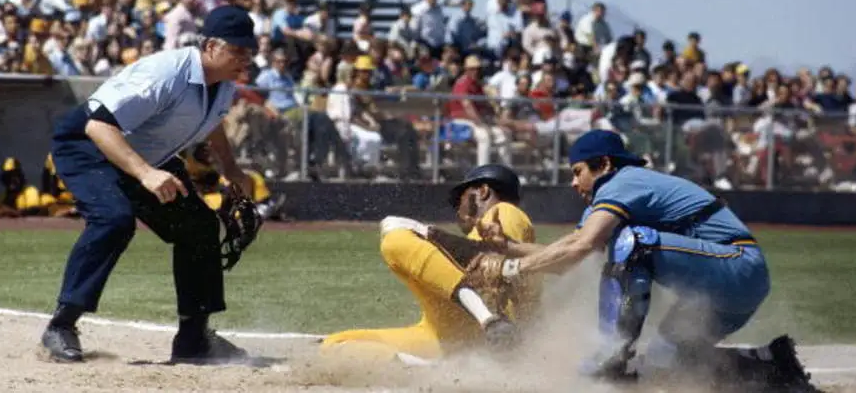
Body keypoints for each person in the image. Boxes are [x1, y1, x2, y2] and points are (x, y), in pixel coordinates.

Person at [467, 130, 818, 391]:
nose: (573, 182)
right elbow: (570, 252)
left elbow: (583, 245)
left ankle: (612, 355)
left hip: (737, 264)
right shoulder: (611, 194)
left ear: (602, 164)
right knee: (665, 365)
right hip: (725, 287)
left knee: (634, 242)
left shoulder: (623, 182)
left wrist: (511, 269)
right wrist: (509, 248)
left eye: (577, 171)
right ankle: (772, 366)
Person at [40, 5, 263, 365]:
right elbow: (97, 126)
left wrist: (232, 170)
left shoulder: (222, 84)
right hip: (88, 146)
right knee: (114, 220)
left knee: (199, 226)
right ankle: (61, 325)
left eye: (248, 51)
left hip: (143, 156)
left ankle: (193, 341)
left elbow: (214, 122)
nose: (245, 58)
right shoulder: (165, 73)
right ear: (210, 47)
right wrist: (144, 173)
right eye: (237, 50)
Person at [320, 164, 536, 363]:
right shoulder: (481, 232)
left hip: (491, 330)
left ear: (483, 191)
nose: (457, 209)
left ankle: (489, 321)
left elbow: (494, 262)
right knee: (337, 345)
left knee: (394, 237)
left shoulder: (505, 211)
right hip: (447, 335)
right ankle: (437, 371)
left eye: (459, 199)